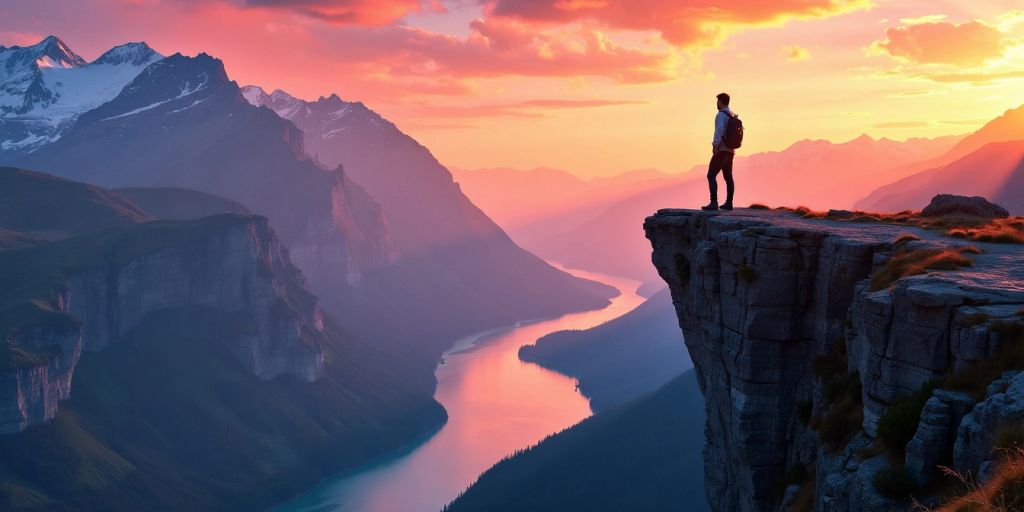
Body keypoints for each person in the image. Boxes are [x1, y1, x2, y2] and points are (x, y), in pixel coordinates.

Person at [702, 92, 737, 211]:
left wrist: (715, 145)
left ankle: (713, 202)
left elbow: (719, 130)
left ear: (721, 101)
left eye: (717, 101)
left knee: (711, 175)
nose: (716, 103)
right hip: (731, 150)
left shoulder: (721, 115)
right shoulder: (731, 114)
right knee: (728, 176)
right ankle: (729, 203)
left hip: (722, 149)